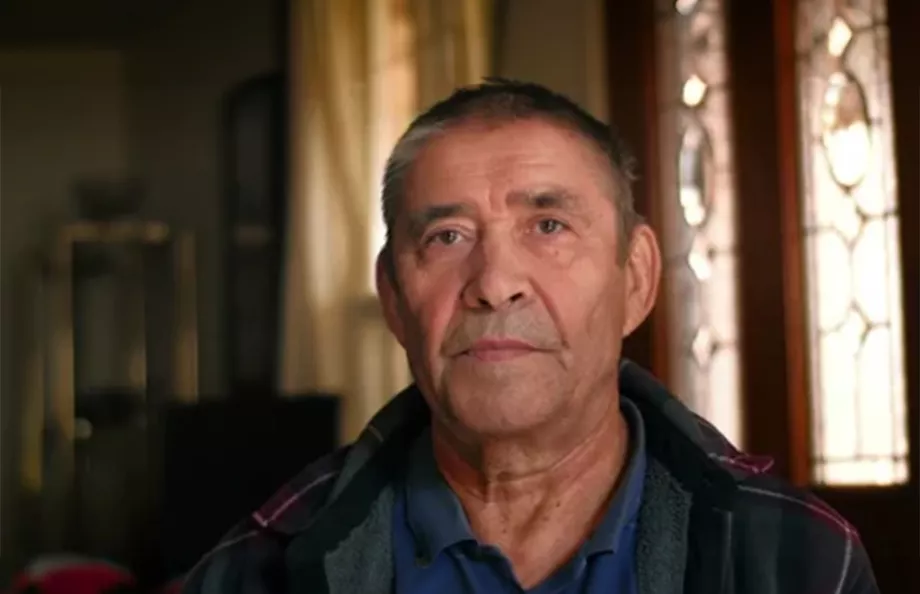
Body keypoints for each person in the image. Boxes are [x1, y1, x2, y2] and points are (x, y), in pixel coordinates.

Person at [181, 80, 878, 594]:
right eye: (447, 237)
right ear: (393, 297)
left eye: (548, 227)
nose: (495, 283)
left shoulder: (795, 561)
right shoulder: (259, 569)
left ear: (636, 278)